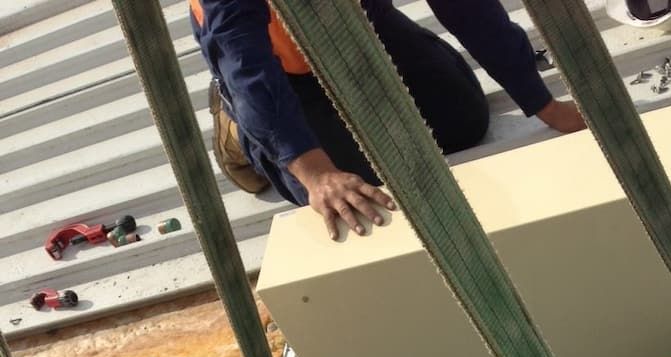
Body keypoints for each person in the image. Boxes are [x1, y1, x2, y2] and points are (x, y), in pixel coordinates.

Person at [192, 0, 586, 238]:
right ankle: (235, 124)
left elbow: (466, 5)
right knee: (357, 190)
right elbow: (246, 65)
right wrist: (315, 173)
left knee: (461, 122)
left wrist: (541, 103)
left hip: (361, 25)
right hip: (277, 65)